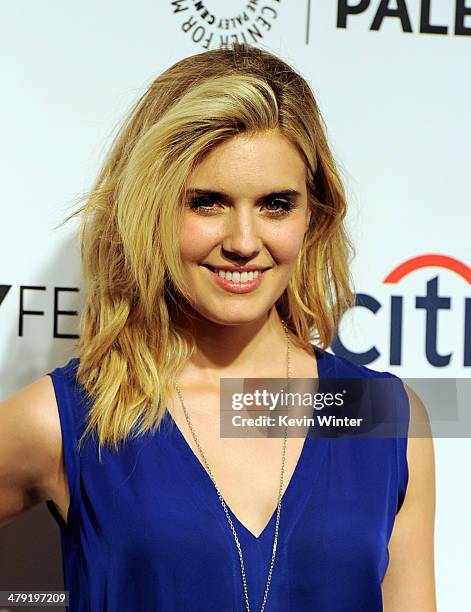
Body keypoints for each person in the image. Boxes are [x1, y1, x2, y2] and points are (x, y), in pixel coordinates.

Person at [0, 43, 436, 611]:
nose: (244, 241)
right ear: (150, 208)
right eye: (207, 203)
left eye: (277, 204)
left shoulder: (382, 416)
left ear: (314, 214)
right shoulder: (71, 418)